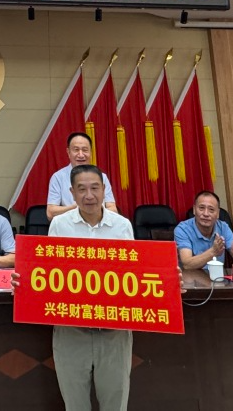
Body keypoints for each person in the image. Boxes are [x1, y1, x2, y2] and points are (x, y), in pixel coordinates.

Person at [49, 164, 135, 409]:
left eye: (95, 188)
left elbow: (135, 275)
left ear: (104, 190)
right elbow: (49, 273)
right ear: (72, 193)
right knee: (75, 405)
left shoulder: (122, 226)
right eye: (82, 189)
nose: (89, 195)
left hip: (114, 330)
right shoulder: (59, 225)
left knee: (115, 403)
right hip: (72, 329)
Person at [47, 132, 117, 220]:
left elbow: (113, 209)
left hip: (98, 224)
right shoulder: (58, 177)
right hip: (70, 225)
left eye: (85, 150)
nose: (81, 155)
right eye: (76, 150)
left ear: (91, 152)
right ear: (68, 152)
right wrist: (80, 207)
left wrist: (93, 211)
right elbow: (50, 213)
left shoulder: (102, 176)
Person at [174, 191, 233, 269]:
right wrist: (213, 251)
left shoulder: (223, 227)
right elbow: (187, 265)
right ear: (194, 210)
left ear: (217, 213)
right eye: (201, 208)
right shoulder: (182, 229)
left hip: (217, 275)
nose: (206, 214)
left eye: (211, 210)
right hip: (190, 276)